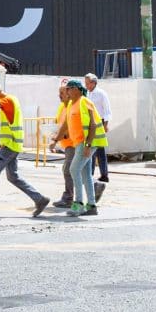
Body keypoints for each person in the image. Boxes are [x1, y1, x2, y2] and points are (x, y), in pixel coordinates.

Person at [0, 87, 49, 220]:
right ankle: (39, 199)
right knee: (13, 177)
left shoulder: (7, 100)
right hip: (12, 145)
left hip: (10, 146)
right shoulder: (11, 100)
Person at [52, 82, 92, 215]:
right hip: (75, 143)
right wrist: (55, 139)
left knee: (72, 170)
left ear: (74, 91)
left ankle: (75, 202)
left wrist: (88, 145)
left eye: (65, 91)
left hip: (80, 143)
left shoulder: (81, 103)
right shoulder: (68, 106)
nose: (61, 94)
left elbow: (92, 125)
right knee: (84, 174)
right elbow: (64, 125)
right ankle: (91, 204)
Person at [82, 74, 113, 203]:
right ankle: (91, 174)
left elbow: (107, 110)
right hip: (90, 124)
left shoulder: (101, 94)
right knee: (92, 151)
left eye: (88, 83)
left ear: (94, 83)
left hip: (99, 123)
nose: (86, 85)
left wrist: (105, 124)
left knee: (100, 151)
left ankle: (104, 174)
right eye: (85, 83)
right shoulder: (86, 94)